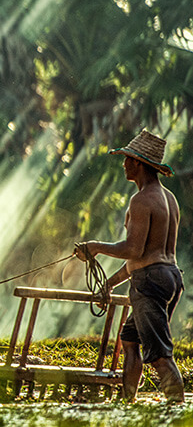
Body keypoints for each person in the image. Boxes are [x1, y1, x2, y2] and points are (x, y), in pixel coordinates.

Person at [76, 129, 184, 403]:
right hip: (169, 276)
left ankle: (178, 408)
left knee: (159, 354)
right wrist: (108, 285)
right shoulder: (169, 199)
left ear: (138, 163)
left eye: (127, 159)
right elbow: (143, 258)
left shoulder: (141, 200)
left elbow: (133, 250)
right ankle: (128, 400)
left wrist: (95, 247)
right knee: (130, 340)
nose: (124, 164)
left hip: (150, 282)